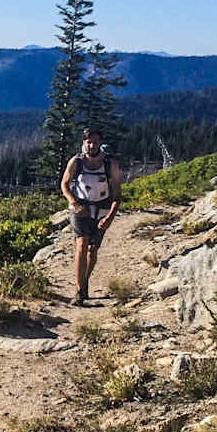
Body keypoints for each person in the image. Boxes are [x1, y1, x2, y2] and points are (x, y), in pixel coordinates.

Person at [60, 127, 122, 306]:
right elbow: (64, 184)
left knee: (92, 250)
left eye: (95, 142)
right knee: (82, 243)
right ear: (83, 143)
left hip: (102, 209)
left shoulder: (111, 164)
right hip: (80, 208)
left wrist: (110, 217)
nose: (92, 145)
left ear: (100, 143)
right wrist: (74, 203)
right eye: (88, 142)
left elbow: (117, 194)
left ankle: (84, 280)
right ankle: (80, 292)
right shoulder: (76, 162)